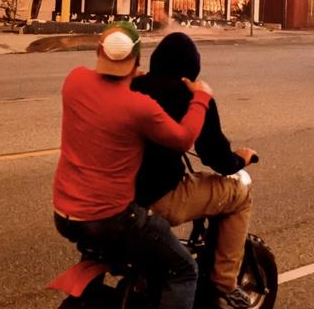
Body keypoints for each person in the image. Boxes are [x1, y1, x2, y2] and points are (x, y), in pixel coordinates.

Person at [52, 21, 214, 309]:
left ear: (99, 52)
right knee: (183, 269)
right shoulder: (138, 107)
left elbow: (101, 86)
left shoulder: (74, 80)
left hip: (65, 216)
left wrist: (126, 75)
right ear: (137, 60)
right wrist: (201, 97)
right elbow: (184, 139)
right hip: (111, 220)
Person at [131, 32, 257, 309]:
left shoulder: (134, 85)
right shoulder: (193, 96)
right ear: (193, 70)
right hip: (161, 196)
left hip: (123, 195)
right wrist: (241, 160)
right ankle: (225, 284)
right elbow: (217, 158)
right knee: (240, 195)